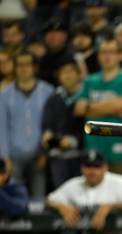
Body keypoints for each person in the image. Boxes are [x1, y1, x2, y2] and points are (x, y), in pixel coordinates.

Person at [74, 38, 122, 180]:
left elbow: (121, 104)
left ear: (119, 55)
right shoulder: (90, 81)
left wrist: (90, 108)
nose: (107, 56)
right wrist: (110, 107)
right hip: (94, 145)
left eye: (111, 52)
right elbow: (78, 109)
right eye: (103, 52)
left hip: (121, 147)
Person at [0, 51, 54, 198]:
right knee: (15, 197)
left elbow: (51, 124)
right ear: (14, 68)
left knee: (39, 196)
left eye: (27, 64)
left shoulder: (48, 91)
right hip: (14, 156)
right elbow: (2, 128)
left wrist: (45, 152)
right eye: (19, 65)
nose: (23, 68)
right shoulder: (4, 95)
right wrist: (5, 157)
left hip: (39, 154)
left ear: (34, 67)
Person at [41, 58, 84, 188]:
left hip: (81, 154)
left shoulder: (86, 95)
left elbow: (89, 124)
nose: (68, 75)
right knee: (62, 192)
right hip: (58, 155)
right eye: (64, 72)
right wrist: (47, 134)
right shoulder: (54, 98)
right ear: (59, 76)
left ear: (78, 74)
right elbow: (47, 124)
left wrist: (73, 140)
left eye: (71, 71)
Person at [39, 18, 73, 87]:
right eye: (49, 33)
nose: (53, 36)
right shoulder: (41, 60)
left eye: (57, 33)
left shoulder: (73, 57)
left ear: (65, 36)